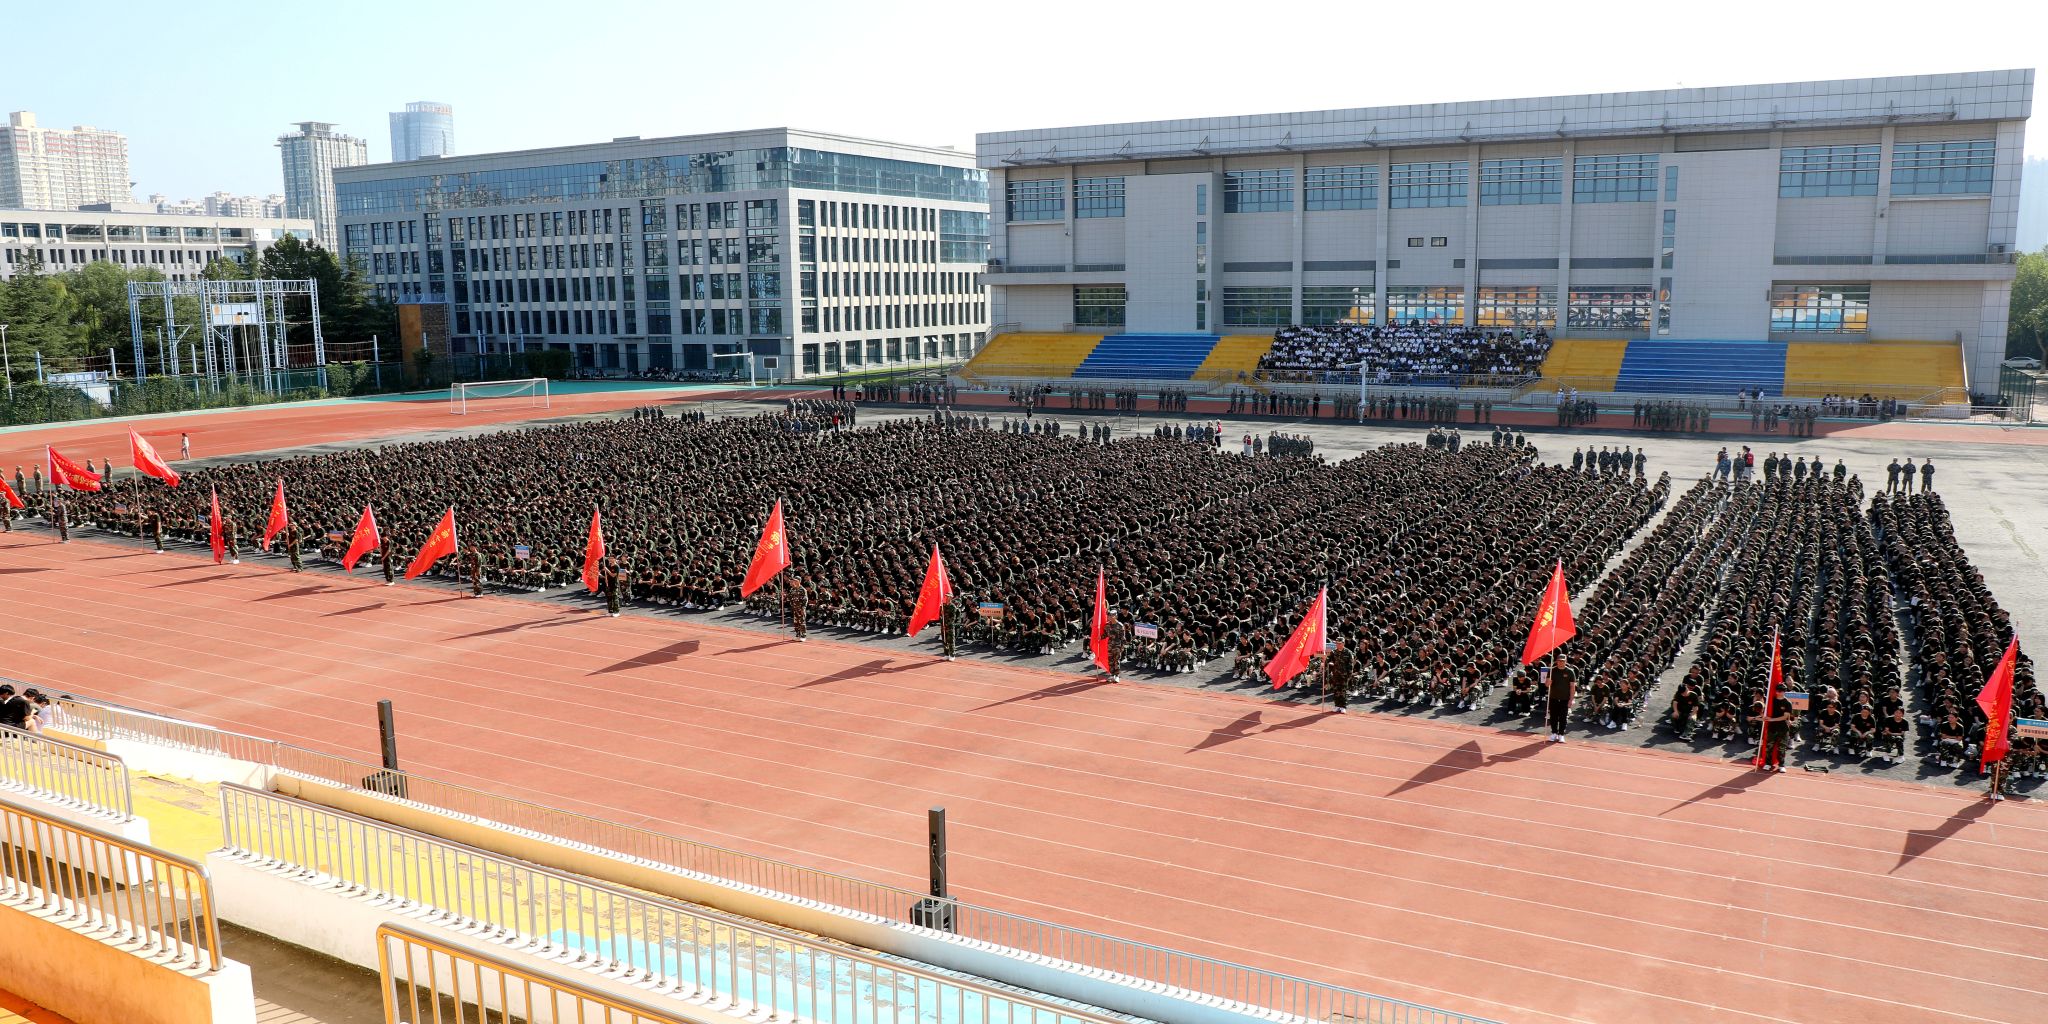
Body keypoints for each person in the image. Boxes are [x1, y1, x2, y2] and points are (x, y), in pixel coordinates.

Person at [1546, 659, 1574, 742]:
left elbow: (1572, 686)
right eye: (1559, 661)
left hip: (1565, 698)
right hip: (1553, 697)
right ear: (1557, 661)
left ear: (1565, 662)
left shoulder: (1570, 671)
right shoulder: (1552, 670)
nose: (1561, 662)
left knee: (1563, 717)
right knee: (1553, 717)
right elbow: (1546, 684)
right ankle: (1554, 733)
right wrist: (1548, 682)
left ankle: (1561, 734)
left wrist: (1571, 699)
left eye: (1563, 661)